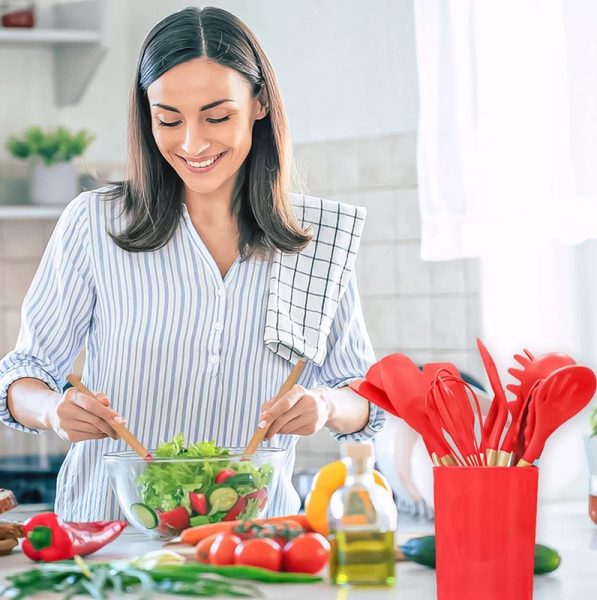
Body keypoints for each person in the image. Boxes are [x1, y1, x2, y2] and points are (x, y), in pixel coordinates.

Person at [0, 6, 383, 520]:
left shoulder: (315, 239)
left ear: (260, 104)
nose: (192, 143)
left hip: (253, 542)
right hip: (109, 536)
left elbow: (363, 396)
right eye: (168, 120)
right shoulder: (95, 223)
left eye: (217, 116)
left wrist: (327, 405)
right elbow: (24, 373)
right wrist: (51, 410)